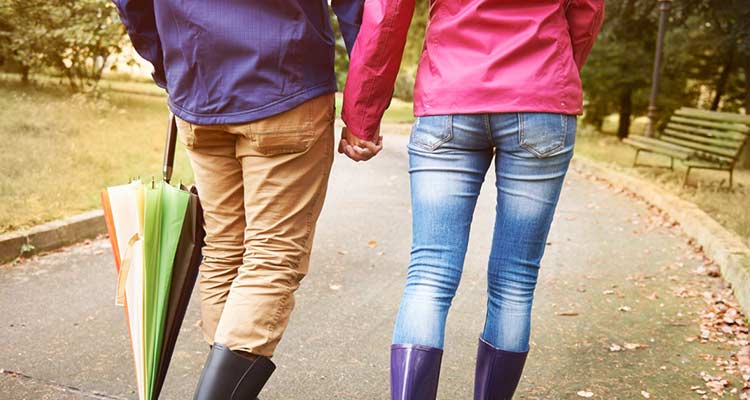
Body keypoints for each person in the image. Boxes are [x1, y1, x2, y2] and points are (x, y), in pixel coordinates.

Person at [341, 1, 605, 398]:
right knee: (515, 280)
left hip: (449, 95)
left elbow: (387, 15)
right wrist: (551, 76)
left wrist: (362, 113)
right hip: (540, 97)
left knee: (428, 274)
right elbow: (586, 11)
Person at [113, 1, 365, 398]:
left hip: (197, 83)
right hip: (285, 81)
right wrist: (365, 99)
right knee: (272, 254)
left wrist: (170, 65)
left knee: (224, 249)